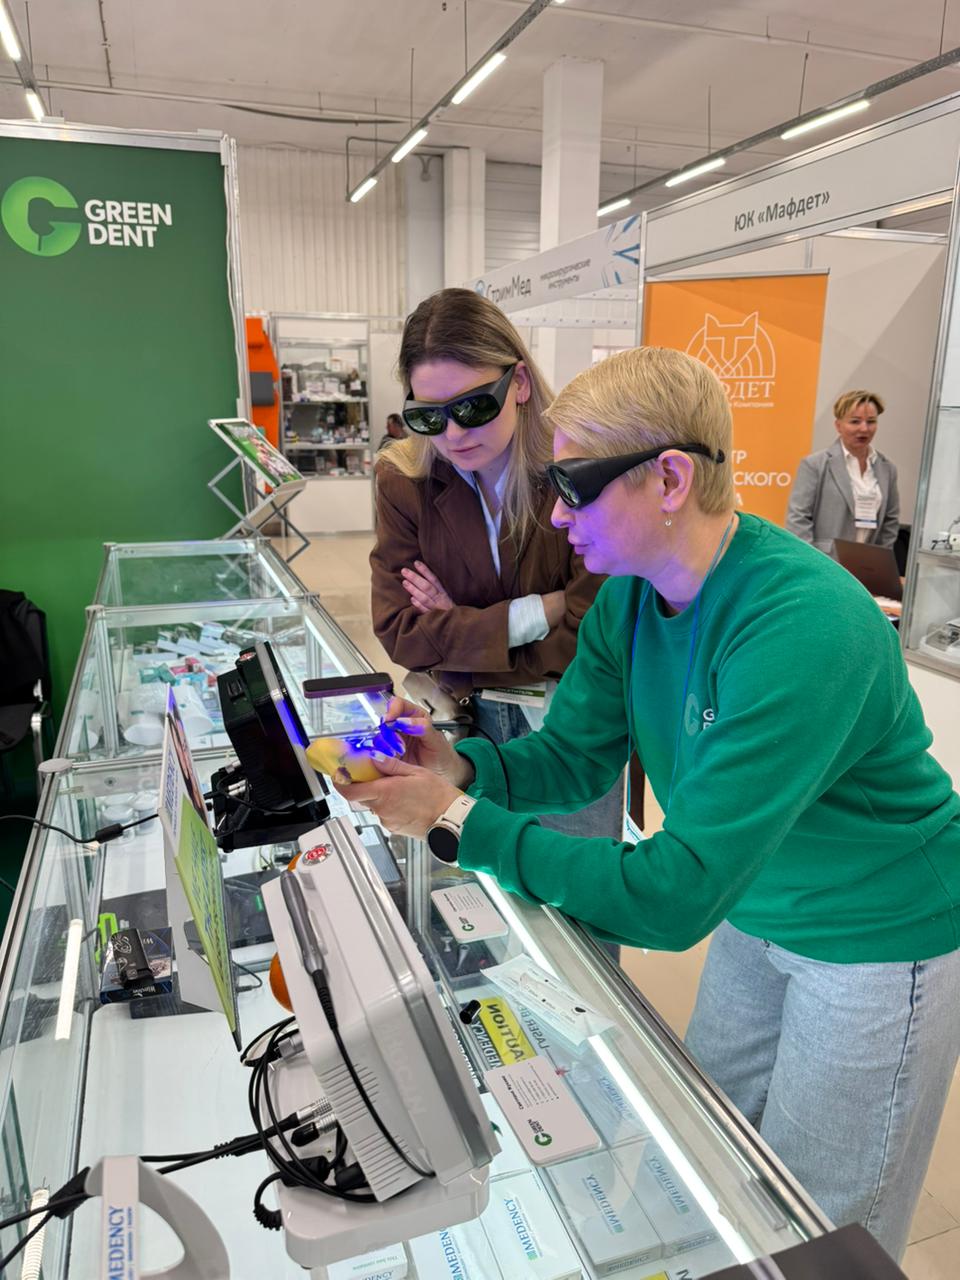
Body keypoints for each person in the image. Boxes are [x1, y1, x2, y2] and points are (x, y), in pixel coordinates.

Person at [341, 346, 960, 1263]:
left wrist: (456, 822)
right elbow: (571, 755)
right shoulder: (629, 601)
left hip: (873, 935)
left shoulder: (802, 623)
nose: (556, 514)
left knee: (827, 1233)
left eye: (574, 487)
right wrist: (460, 769)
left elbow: (673, 896)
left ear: (670, 478)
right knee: (713, 1156)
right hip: (756, 904)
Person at [369, 286, 622, 838]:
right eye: (428, 417)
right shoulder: (404, 480)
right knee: (482, 879)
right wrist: (535, 612)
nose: (454, 435)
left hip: (569, 727)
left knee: (574, 880)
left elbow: (593, 635)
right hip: (463, 725)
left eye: (474, 406)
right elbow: (400, 632)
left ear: (520, 383)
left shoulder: (580, 467)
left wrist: (456, 631)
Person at [785, 390, 900, 553]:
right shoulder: (814, 464)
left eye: (871, 421)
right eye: (855, 421)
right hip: (825, 560)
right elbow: (798, 519)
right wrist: (812, 560)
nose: (864, 428)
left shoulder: (887, 468)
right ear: (838, 425)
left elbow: (890, 522)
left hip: (866, 563)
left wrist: (879, 558)